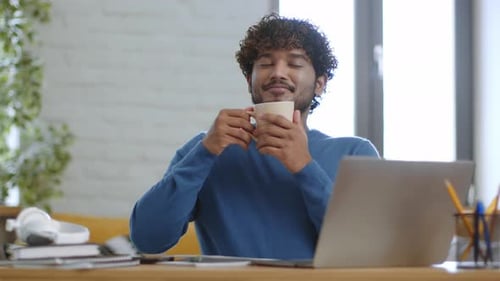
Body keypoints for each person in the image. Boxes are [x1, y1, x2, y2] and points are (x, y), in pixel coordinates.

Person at [129, 13, 379, 259]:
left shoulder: (355, 154)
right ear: (250, 81)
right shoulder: (207, 149)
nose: (278, 73)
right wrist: (204, 154)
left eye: (294, 63)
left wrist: (304, 167)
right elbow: (148, 240)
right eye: (266, 63)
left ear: (319, 84)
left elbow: (366, 251)